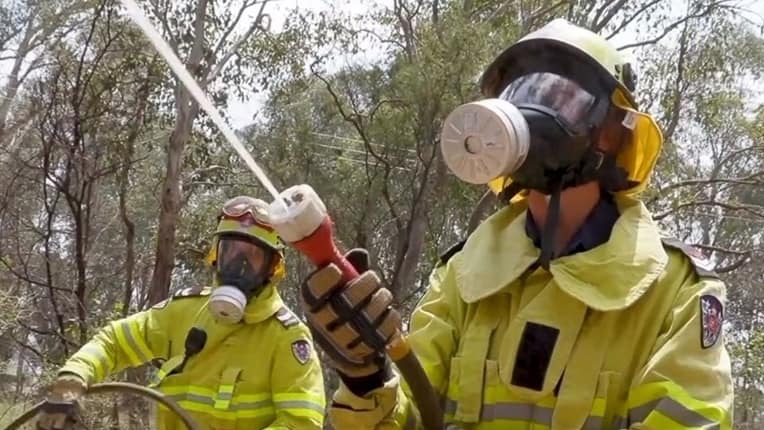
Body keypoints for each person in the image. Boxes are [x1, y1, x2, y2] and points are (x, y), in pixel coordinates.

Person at [299, 19, 733, 430]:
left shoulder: (675, 292)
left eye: (559, 95)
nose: (530, 111)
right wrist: (366, 380)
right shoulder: (463, 274)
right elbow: (414, 414)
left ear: (612, 133)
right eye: (518, 92)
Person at [37, 196, 325, 430]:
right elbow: (113, 342)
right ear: (216, 255)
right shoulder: (183, 312)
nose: (239, 264)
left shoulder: (286, 338)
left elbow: (302, 424)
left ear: (273, 268)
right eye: (231, 252)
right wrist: (73, 377)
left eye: (252, 256)